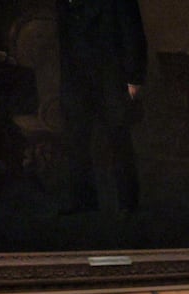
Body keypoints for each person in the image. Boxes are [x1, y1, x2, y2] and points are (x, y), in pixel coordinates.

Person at [57, 0, 147, 215]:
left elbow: (133, 33)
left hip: (111, 78)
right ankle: (83, 202)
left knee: (119, 139)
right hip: (76, 81)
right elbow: (65, 41)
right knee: (77, 140)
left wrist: (134, 78)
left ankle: (128, 202)